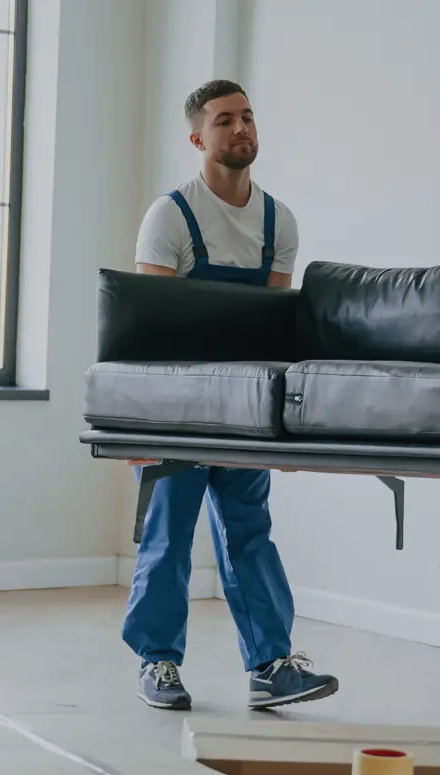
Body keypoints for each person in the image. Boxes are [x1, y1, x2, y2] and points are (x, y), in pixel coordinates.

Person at [123, 79, 338, 712]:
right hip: (180, 403)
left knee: (250, 531)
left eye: (247, 117)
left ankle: (271, 664)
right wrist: (143, 427)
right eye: (224, 121)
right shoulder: (171, 216)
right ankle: (157, 661)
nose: (241, 128)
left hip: (243, 404)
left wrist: (280, 426)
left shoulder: (279, 221)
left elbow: (273, 329)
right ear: (198, 137)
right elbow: (150, 327)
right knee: (170, 530)